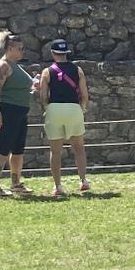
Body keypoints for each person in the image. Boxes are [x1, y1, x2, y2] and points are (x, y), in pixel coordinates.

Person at [38, 38, 90, 198]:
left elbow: (43, 95)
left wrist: (47, 108)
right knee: (79, 148)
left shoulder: (47, 71)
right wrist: (82, 107)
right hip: (73, 107)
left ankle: (58, 186)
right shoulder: (78, 70)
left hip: (55, 108)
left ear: (53, 53)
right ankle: (83, 180)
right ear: (66, 53)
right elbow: (84, 93)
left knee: (56, 150)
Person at [0, 29, 35, 198]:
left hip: (21, 113)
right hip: (9, 111)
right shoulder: (3, 66)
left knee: (18, 150)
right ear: (10, 48)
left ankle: (16, 183)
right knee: (2, 150)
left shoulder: (16, 66)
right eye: (20, 48)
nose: (23, 51)